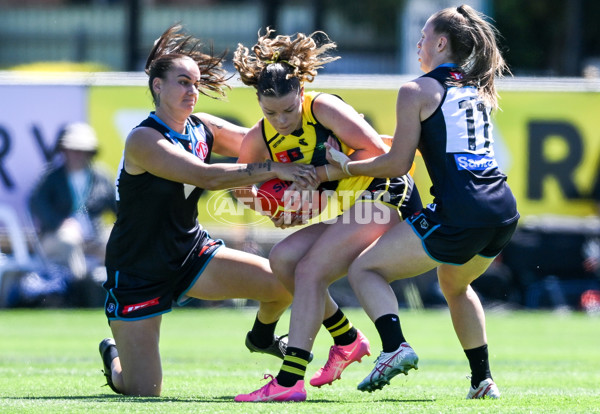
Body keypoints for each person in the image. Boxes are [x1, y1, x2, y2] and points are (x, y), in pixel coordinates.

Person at [97, 24, 318, 397]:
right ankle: (114, 359)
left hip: (190, 255)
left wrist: (318, 130)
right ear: (158, 87)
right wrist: (273, 170)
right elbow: (207, 176)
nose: (192, 91)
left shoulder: (202, 127)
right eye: (183, 82)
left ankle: (261, 336)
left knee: (282, 284)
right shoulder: (144, 139)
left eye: (196, 84)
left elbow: (262, 140)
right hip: (138, 270)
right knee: (142, 390)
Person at [326, 4, 519, 399]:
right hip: (503, 211)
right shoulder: (476, 86)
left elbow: (398, 163)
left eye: (424, 36)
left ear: (442, 43)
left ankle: (394, 347)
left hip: (462, 212)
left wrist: (344, 167)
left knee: (365, 270)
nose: (418, 43)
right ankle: (483, 379)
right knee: (454, 282)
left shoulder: (416, 89)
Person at [232, 29, 422, 402]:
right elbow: (241, 187)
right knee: (283, 259)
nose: (282, 120)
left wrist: (319, 177)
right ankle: (347, 339)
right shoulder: (260, 137)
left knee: (309, 269)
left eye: (288, 110)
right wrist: (274, 209)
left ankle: (289, 381)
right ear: (258, 101)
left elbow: (380, 157)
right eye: (271, 112)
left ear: (301, 93)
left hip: (386, 191)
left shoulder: (323, 108)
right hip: (355, 203)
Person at [28, 122, 116, 294]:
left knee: (115, 243)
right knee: (69, 243)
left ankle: (113, 290)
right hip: (56, 238)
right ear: (63, 151)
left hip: (93, 236)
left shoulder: (102, 177)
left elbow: (119, 209)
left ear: (91, 153)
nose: (77, 155)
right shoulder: (51, 177)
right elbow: (36, 203)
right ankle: (81, 288)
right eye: (72, 149)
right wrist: (60, 224)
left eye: (83, 150)